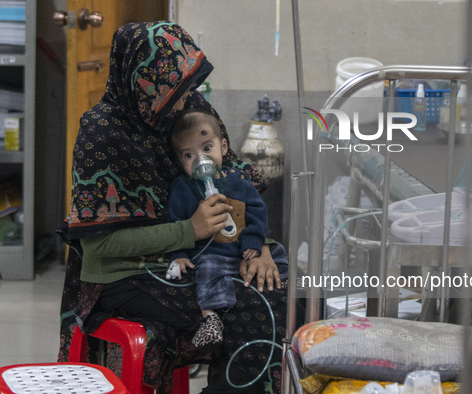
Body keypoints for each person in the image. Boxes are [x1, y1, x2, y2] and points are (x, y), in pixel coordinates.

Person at [57, 21, 300, 394]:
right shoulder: (102, 132)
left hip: (200, 256)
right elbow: (100, 247)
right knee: (249, 301)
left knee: (277, 283)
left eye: (190, 86)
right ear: (145, 82)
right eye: (177, 88)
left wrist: (259, 248)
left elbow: (235, 185)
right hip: (124, 276)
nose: (188, 99)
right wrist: (190, 230)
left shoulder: (186, 108)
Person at [165, 109, 288, 350]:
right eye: (190, 155)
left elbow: (258, 214)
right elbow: (175, 223)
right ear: (181, 162)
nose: (201, 160)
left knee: (280, 255)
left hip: (244, 253)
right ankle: (210, 318)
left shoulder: (239, 182)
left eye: (207, 148)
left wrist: (253, 243)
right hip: (214, 256)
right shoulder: (182, 189)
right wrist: (178, 255)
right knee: (206, 270)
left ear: (223, 147)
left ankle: (277, 285)